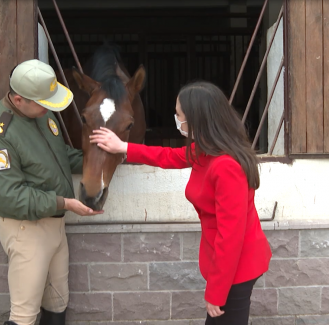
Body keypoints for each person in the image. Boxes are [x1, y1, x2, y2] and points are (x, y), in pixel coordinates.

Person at [90, 81, 272, 325]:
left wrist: (216, 293)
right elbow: (169, 156)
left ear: (197, 119)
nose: (176, 119)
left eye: (179, 115)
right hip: (227, 266)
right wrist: (123, 146)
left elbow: (231, 237)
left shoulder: (226, 165)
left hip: (237, 268)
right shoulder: (208, 150)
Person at [0, 59, 103, 325]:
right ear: (19, 100)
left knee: (57, 302)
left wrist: (101, 157)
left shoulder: (40, 113)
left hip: (54, 225)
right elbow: (10, 197)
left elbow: (59, 156)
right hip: (26, 230)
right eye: (44, 103)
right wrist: (65, 203)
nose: (48, 108)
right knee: (24, 315)